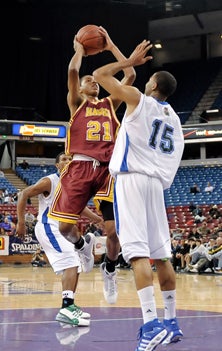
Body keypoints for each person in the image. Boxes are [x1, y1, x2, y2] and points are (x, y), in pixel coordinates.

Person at [93, 40, 184, 349]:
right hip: (156, 186)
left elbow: (100, 75)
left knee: (138, 255)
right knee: (163, 255)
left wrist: (125, 61)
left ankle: (150, 325)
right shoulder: (175, 119)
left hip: (132, 181)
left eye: (148, 79)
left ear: (154, 84)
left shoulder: (138, 101)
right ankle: (171, 323)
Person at [48, 26, 136, 304]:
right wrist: (79, 50)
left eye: (94, 80)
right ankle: (81, 244)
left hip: (107, 171)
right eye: (89, 80)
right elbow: (73, 73)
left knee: (112, 232)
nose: (92, 82)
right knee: (64, 228)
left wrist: (110, 46)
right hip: (79, 167)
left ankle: (109, 268)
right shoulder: (76, 104)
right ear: (82, 88)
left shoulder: (111, 103)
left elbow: (130, 75)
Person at [16, 152, 103, 326]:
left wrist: (97, 219)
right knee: (71, 263)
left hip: (61, 228)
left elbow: (80, 208)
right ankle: (65, 309)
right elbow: (23, 194)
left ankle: (70, 305)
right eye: (64, 159)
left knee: (75, 265)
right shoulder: (49, 181)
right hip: (49, 226)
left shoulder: (73, 184)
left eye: (71, 159)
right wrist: (21, 222)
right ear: (57, 165)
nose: (68, 161)